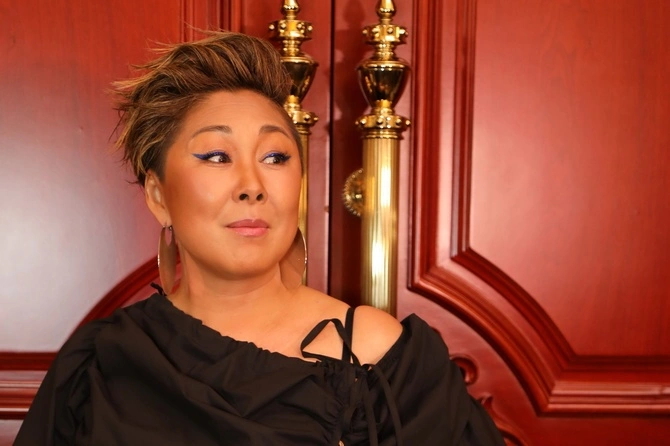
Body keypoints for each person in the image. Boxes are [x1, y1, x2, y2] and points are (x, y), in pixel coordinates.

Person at [14, 31, 504, 445]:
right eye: (216, 156)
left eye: (275, 157)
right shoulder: (99, 365)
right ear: (159, 196)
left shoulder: (382, 359)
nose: (252, 185)